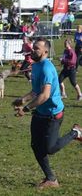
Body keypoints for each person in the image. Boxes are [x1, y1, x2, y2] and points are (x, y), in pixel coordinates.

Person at [12, 37, 82, 189]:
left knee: (50, 149)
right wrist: (22, 100)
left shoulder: (46, 68)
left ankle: (75, 133)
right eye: (33, 47)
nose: (33, 49)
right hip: (40, 113)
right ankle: (51, 179)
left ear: (45, 51)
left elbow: (45, 95)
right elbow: (36, 91)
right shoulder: (36, 66)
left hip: (53, 114)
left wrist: (25, 109)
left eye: (36, 48)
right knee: (36, 146)